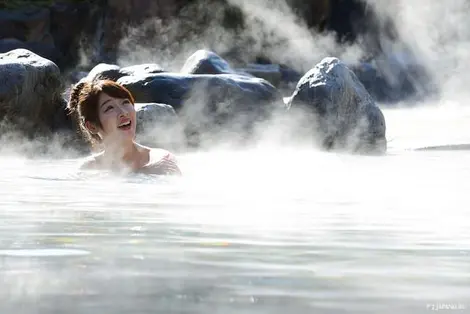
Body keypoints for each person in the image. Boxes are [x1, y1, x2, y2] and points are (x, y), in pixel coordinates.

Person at [67, 79, 182, 175]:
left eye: (125, 103)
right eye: (110, 108)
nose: (123, 112)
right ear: (92, 126)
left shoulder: (161, 160)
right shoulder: (88, 170)